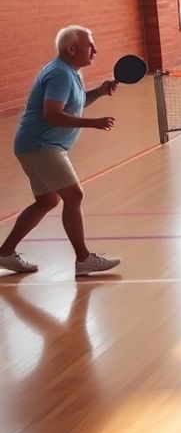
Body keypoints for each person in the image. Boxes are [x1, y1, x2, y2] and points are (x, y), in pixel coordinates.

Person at [0, 26, 122, 276]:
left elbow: (73, 105)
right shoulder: (60, 74)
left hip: (38, 146)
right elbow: (52, 114)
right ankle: (83, 259)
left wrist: (99, 92)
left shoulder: (71, 72)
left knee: (47, 200)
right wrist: (93, 123)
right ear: (72, 49)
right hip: (41, 145)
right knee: (73, 195)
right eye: (90, 46)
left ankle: (5, 253)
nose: (95, 50)